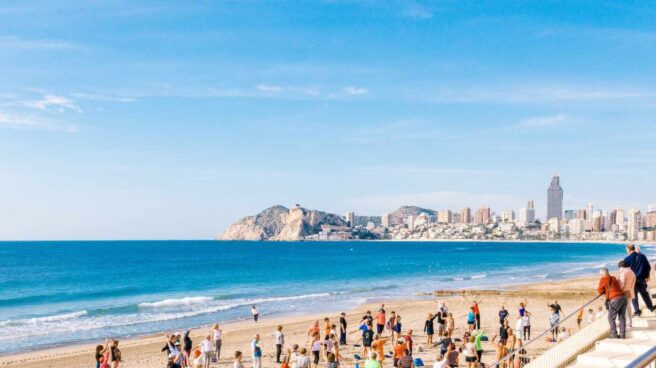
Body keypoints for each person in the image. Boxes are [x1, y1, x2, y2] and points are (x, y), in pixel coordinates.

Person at [624, 243, 655, 316]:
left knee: (634, 296)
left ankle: (637, 312)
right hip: (641, 279)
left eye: (626, 249)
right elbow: (648, 266)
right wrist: (647, 275)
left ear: (628, 249)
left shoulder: (627, 259)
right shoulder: (642, 256)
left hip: (632, 281)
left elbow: (626, 272)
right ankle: (650, 307)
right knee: (645, 294)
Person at [597, 267, 627, 338]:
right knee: (622, 317)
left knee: (611, 317)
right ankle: (622, 335)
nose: (600, 276)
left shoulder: (603, 279)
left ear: (602, 274)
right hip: (623, 297)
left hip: (615, 299)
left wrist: (605, 291)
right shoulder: (613, 278)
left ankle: (614, 334)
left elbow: (599, 290)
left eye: (600, 274)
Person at [618, 260, 636, 329]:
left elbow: (621, 284)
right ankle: (629, 323)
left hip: (623, 292)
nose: (619, 269)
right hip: (630, 291)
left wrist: (618, 291)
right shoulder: (632, 272)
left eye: (619, 267)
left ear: (621, 266)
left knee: (624, 308)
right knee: (628, 308)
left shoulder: (623, 272)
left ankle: (627, 323)